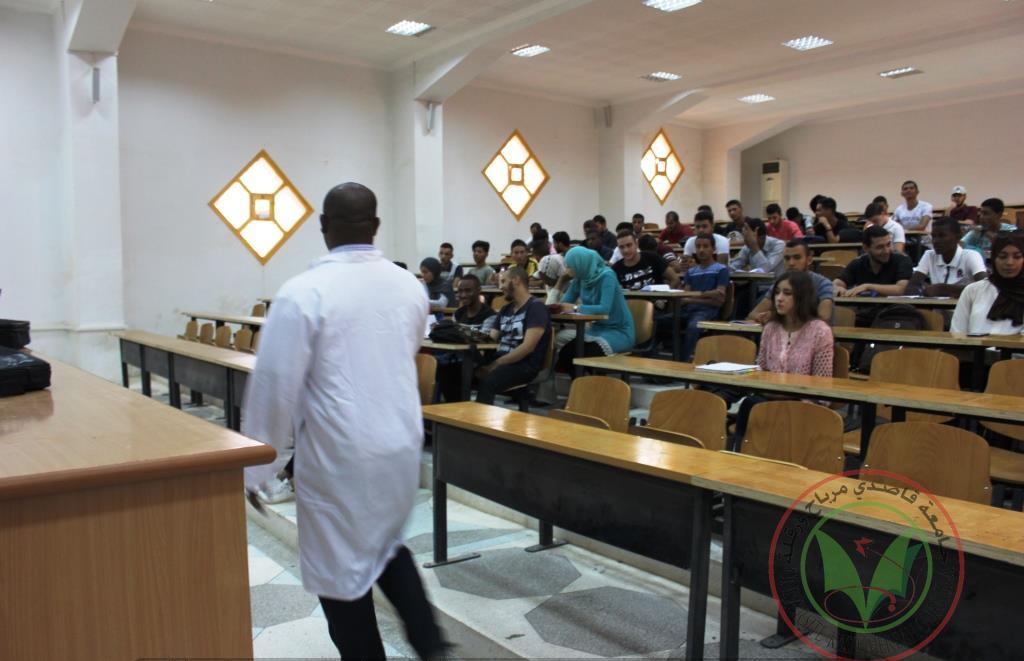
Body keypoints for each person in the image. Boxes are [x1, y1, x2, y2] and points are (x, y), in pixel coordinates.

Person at [242, 182, 447, 660]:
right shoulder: (409, 286)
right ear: (375, 226)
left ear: (322, 226)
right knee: (384, 545)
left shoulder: (302, 293)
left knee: (338, 573)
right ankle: (433, 647)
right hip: (399, 444)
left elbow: (275, 386)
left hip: (340, 452)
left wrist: (256, 466)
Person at [732, 271, 834, 446]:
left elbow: (822, 386)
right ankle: (739, 452)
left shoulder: (820, 331)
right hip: (768, 397)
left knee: (767, 410)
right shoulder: (770, 328)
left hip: (802, 404)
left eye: (787, 293)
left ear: (802, 297)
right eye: (777, 293)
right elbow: (762, 370)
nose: (779, 298)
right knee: (750, 403)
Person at [476, 267, 552, 405]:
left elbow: (527, 348)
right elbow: (490, 340)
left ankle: (478, 418)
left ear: (516, 280)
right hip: (501, 360)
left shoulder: (536, 308)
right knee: (458, 371)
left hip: (524, 365)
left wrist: (494, 365)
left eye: (503, 281)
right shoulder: (505, 309)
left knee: (488, 381)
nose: (500, 287)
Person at [557, 246, 636, 369]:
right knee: (567, 351)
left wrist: (575, 308)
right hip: (596, 329)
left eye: (570, 266)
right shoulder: (580, 279)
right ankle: (580, 379)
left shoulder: (607, 276)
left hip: (619, 332)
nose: (567, 270)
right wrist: (561, 281)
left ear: (580, 264)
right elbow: (563, 305)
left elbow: (604, 309)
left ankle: (590, 379)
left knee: (578, 353)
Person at [664, 234, 729, 362]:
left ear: (713, 249)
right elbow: (685, 296)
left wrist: (693, 298)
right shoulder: (691, 272)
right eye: (698, 246)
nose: (701, 250)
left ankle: (682, 362)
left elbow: (719, 299)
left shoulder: (721, 269)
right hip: (688, 310)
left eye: (705, 246)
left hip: (707, 311)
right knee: (658, 321)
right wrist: (707, 294)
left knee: (693, 326)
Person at [833, 225, 914, 325]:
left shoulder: (902, 260)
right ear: (866, 248)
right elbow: (836, 283)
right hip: (864, 315)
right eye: (880, 247)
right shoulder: (858, 263)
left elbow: (901, 289)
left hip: (895, 315)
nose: (886, 251)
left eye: (888, 244)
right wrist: (839, 289)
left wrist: (868, 287)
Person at [435, 275, 497, 402]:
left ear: (479, 291)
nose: (463, 295)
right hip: (457, 360)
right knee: (438, 369)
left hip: (480, 363)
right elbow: (452, 336)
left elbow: (483, 342)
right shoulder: (458, 313)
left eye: (468, 290)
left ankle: (459, 408)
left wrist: (459, 332)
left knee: (449, 373)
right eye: (460, 291)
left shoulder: (490, 315)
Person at [951, 232, 1024, 335]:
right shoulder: (973, 290)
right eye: (1002, 257)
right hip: (972, 346)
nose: (1009, 263)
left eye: (1017, 257)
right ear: (994, 258)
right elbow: (957, 333)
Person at [747, 240, 833, 324]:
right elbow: (753, 315)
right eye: (787, 258)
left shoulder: (823, 283)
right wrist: (763, 317)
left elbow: (824, 317)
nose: (791, 263)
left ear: (809, 260)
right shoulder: (780, 284)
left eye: (797, 258)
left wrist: (776, 317)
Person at [907, 217, 986, 297]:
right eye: (933, 236)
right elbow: (911, 286)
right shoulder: (929, 255)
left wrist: (943, 289)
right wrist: (923, 290)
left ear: (958, 237)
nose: (935, 241)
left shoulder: (971, 256)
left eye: (942, 236)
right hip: (936, 305)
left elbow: (984, 286)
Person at [612, 229, 680, 290]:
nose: (626, 250)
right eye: (621, 247)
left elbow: (675, 279)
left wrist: (666, 296)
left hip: (658, 299)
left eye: (629, 245)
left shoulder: (652, 258)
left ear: (636, 244)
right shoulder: (616, 269)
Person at [892, 180, 934, 246]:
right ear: (902, 193)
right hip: (905, 241)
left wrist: (905, 230)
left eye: (911, 188)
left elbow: (922, 226)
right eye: (905, 189)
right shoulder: (898, 209)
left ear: (917, 192)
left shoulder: (926, 206)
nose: (908, 190)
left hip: (923, 242)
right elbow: (894, 226)